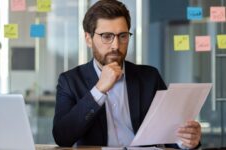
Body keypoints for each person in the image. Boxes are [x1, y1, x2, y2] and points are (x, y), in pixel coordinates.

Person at [52, 0, 201, 149]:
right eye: (106, 36)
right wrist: (98, 90)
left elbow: (170, 134)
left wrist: (186, 140)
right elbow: (62, 137)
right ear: (88, 39)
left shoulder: (149, 77)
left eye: (122, 36)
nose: (116, 45)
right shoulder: (70, 81)